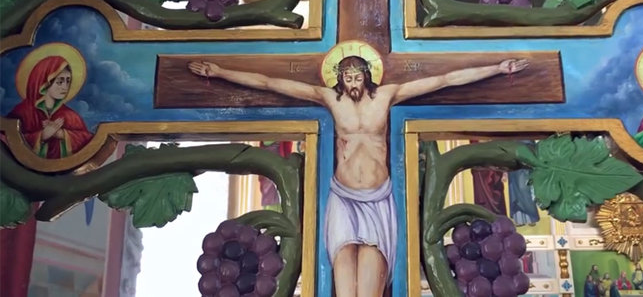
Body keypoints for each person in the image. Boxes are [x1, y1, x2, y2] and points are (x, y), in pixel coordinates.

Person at [188, 54, 529, 297]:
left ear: (368, 76)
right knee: (344, 282)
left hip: (379, 199)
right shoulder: (330, 100)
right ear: (340, 79)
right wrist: (219, 71)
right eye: (346, 78)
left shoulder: (387, 96)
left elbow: (442, 81)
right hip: (343, 198)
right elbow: (271, 83)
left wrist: (497, 69)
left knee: (370, 282)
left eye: (357, 77)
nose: (352, 83)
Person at [7, 55, 92, 158]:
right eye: (60, 82)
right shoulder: (22, 112)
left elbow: (88, 141)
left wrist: (62, 134)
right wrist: (42, 136)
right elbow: (8, 142)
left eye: (68, 81)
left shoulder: (71, 115)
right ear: (44, 83)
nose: (65, 87)